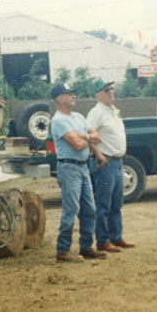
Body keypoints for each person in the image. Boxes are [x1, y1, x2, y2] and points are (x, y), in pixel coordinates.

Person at [49, 82, 108, 263]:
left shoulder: (79, 117)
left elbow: (96, 137)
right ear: (60, 99)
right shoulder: (58, 120)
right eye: (69, 94)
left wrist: (83, 137)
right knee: (72, 208)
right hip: (69, 168)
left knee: (89, 209)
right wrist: (87, 138)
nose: (74, 96)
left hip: (83, 166)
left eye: (73, 93)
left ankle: (86, 246)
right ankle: (63, 249)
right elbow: (77, 145)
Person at [86, 79, 136, 253]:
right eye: (107, 90)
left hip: (117, 162)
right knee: (103, 204)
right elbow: (87, 135)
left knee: (116, 203)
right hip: (105, 163)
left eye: (112, 89)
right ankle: (102, 240)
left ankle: (116, 236)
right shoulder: (96, 113)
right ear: (98, 94)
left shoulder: (112, 111)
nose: (111, 92)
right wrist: (98, 154)